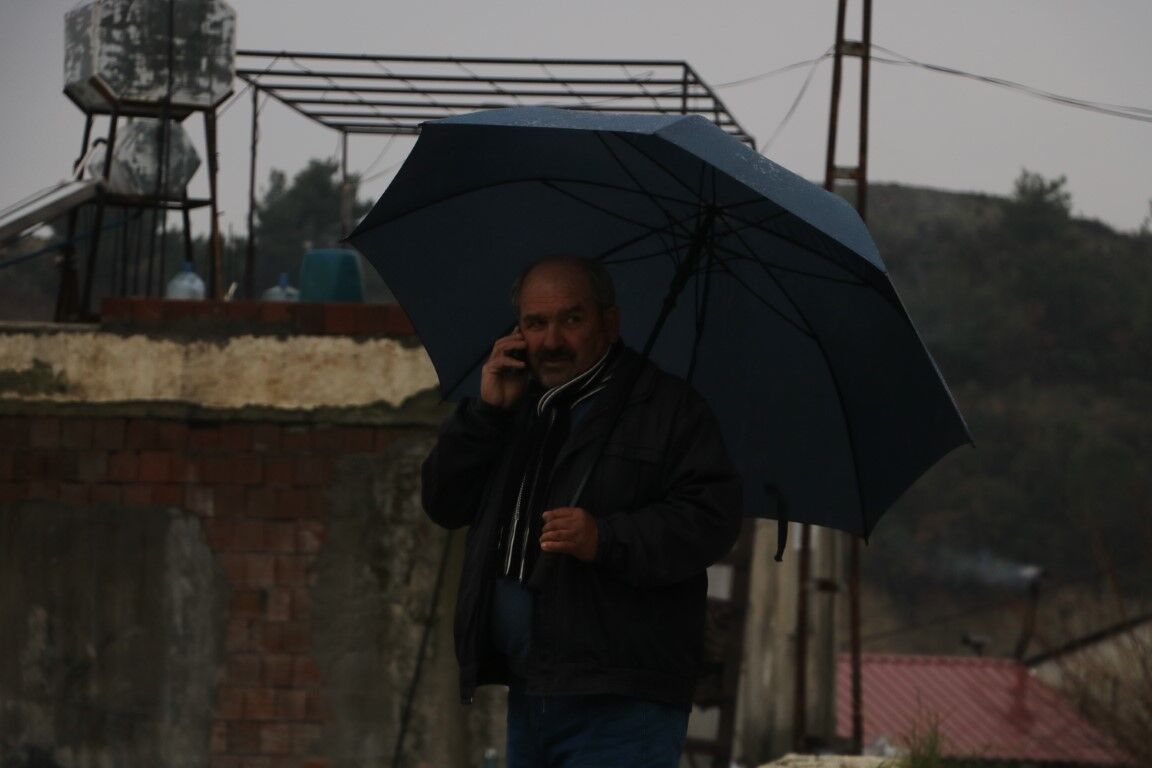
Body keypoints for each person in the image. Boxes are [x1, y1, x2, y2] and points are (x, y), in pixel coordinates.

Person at [421, 256, 742, 768]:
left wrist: (606, 538)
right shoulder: (515, 403)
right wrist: (485, 416)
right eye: (535, 323)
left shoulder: (668, 408)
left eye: (571, 320)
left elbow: (711, 520)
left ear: (608, 323)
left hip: (623, 703)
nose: (551, 340)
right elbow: (443, 503)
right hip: (532, 693)